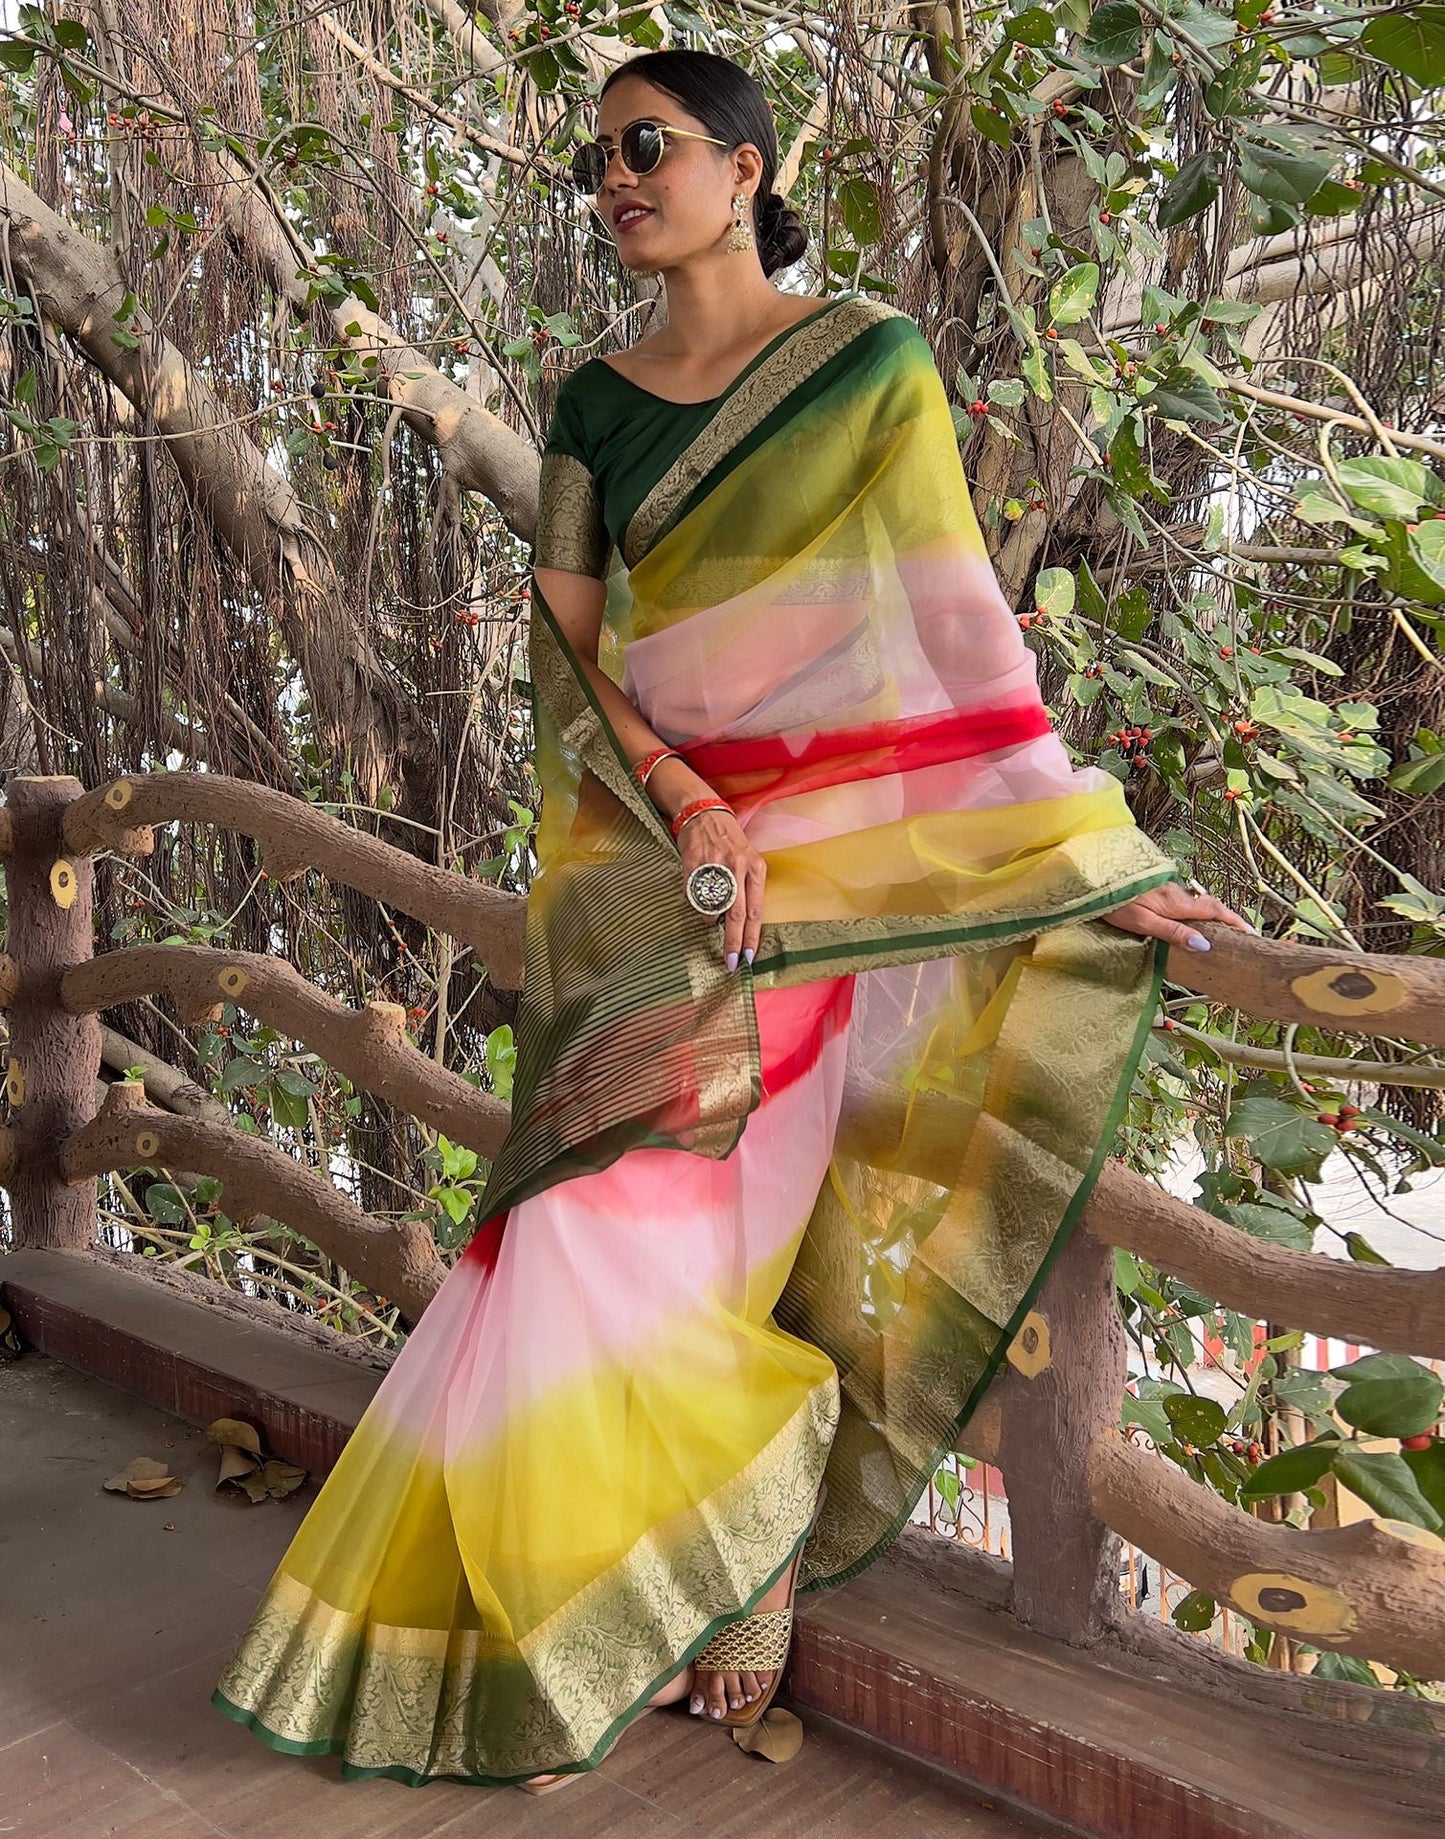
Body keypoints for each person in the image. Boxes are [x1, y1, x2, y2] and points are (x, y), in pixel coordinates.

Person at [211, 46, 1253, 1796]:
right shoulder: (591, 405)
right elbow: (566, 650)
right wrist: (684, 798)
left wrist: (1096, 852)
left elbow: (958, 630)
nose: (616, 179)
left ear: (746, 168)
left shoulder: (867, 364)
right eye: (596, 159)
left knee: (663, 1235)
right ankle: (699, 1542)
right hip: (645, 868)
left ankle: (740, 1525)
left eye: (647, 145)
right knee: (569, 1225)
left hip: (818, 884)